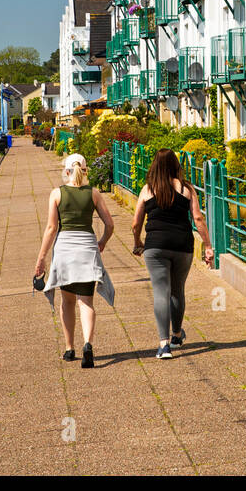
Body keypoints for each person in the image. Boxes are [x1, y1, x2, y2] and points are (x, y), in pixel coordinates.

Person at [33, 154, 115, 368]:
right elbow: (110, 224)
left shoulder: (57, 194)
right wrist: (102, 242)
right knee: (86, 302)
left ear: (66, 172)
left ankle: (70, 349)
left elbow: (51, 229)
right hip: (87, 250)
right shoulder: (94, 194)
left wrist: (41, 258)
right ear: (85, 170)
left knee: (67, 302)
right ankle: (88, 344)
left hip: (65, 252)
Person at [131, 150, 214, 360]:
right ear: (176, 165)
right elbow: (198, 218)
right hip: (182, 244)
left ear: (155, 166)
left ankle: (163, 345)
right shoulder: (187, 188)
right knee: (177, 291)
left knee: (161, 292)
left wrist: (138, 242)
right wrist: (207, 246)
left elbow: (135, 223)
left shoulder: (147, 189)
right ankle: (177, 334)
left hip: (155, 246)